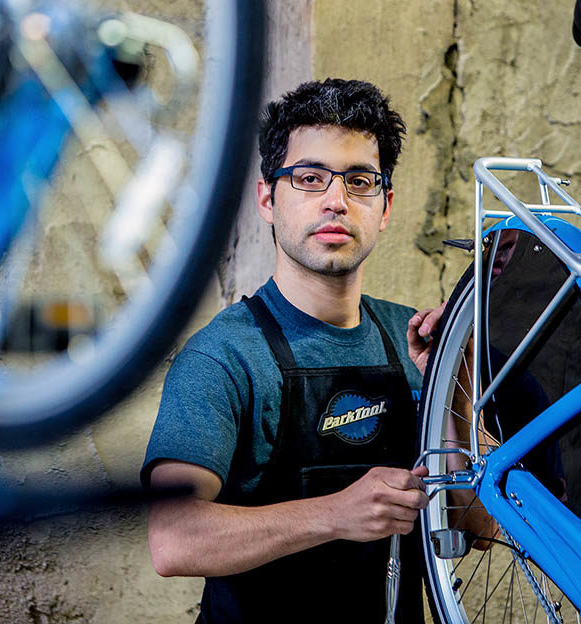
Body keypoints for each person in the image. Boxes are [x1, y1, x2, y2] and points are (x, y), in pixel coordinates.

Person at [142, 78, 443, 623]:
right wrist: (335, 514)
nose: (336, 200)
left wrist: (455, 389)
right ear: (267, 198)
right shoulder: (224, 358)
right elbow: (173, 538)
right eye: (309, 178)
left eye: (359, 181)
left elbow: (482, 526)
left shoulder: (417, 337)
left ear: (386, 205)